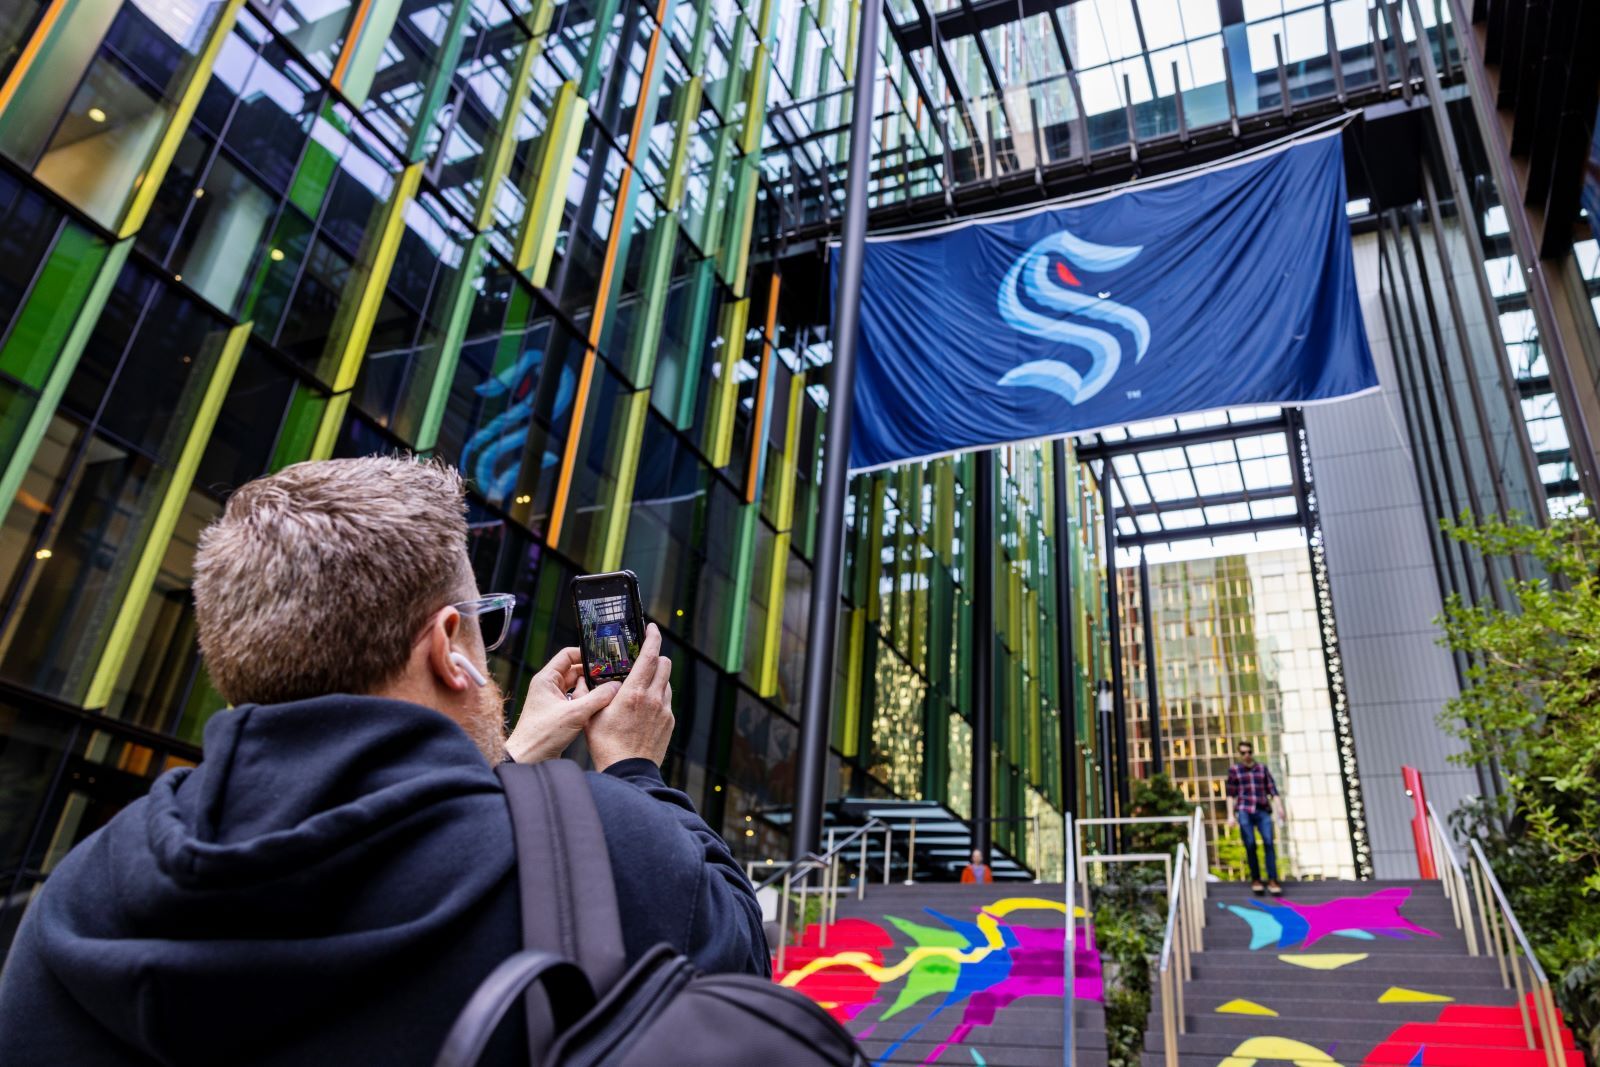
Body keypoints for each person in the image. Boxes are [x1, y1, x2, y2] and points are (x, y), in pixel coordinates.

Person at [0, 457, 768, 1067]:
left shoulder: (79, 893)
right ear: (445, 646)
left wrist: (513, 758)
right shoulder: (611, 846)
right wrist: (635, 776)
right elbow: (742, 978)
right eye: (481, 626)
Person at [1225, 740, 1285, 895]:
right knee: (1250, 844)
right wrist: (1230, 815)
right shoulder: (1235, 771)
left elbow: (1273, 790)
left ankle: (1273, 880)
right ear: (1240, 754)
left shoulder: (1262, 769)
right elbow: (1231, 795)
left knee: (1268, 842)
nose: (1247, 755)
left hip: (1262, 810)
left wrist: (1280, 808)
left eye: (1249, 752)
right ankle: (1256, 879)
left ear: (1252, 752)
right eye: (1243, 753)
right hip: (1244, 811)